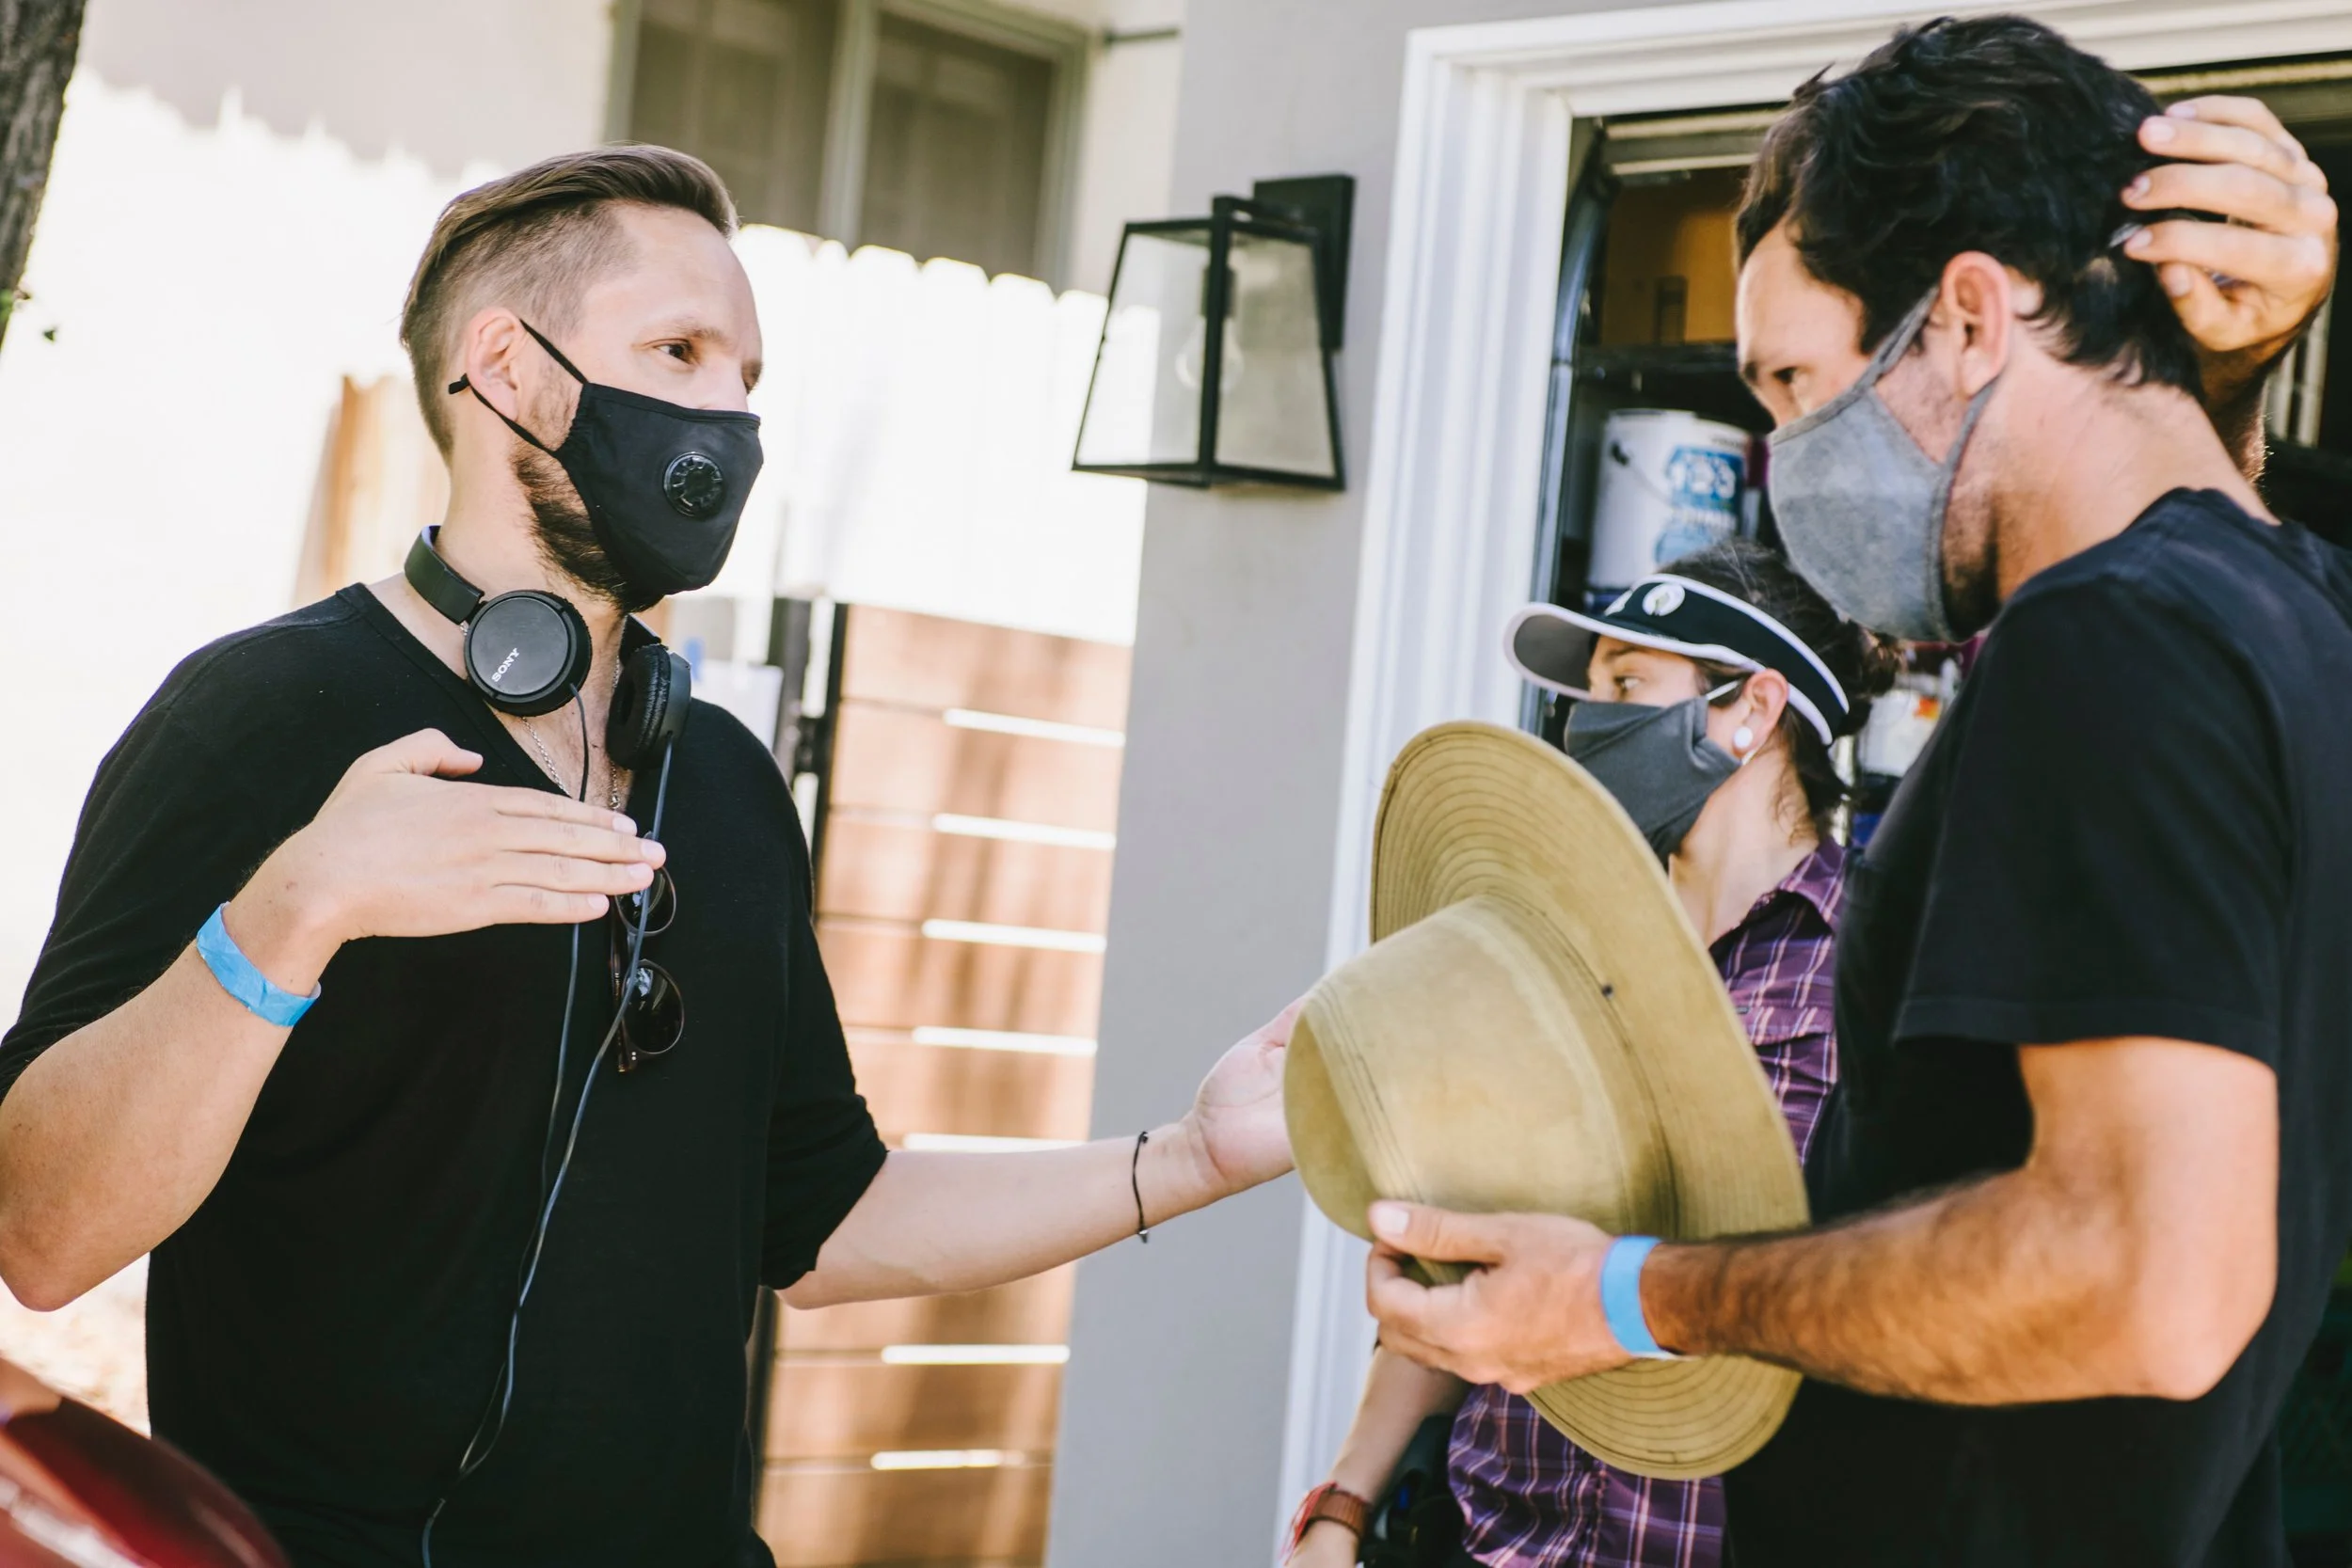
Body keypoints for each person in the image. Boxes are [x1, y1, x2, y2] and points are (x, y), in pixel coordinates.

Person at [0, 146, 1295, 1568]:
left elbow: (827, 1216)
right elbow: (43, 1230)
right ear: (508, 367)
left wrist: (1188, 1157)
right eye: (678, 350)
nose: (729, 412)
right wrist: (296, 908)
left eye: (747, 375)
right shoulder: (256, 719)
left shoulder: (726, 783)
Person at [1358, 19, 2352, 1568]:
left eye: (1797, 385)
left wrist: (1623, 1291)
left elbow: (2148, 1276)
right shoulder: (2293, 613)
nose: (1781, 459)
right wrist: (2220, 383)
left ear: (1966, 315)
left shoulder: (2107, 643)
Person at [1282, 541, 1890, 1568]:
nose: (1586, 722)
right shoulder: (1548, 953)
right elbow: (1455, 1264)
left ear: (1748, 711)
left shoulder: (1877, 972)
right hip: (1486, 1540)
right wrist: (1340, 1506)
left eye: (1624, 686)